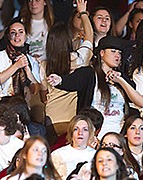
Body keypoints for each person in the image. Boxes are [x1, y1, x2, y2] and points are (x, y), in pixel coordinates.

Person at [46, 35, 143, 139]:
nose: (117, 56)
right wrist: (60, 80)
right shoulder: (89, 73)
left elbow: (137, 99)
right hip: (93, 133)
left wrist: (120, 80)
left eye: (119, 53)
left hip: (118, 134)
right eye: (113, 51)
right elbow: (74, 81)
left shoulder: (121, 77)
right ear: (102, 53)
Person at [43, 0, 93, 136]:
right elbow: (89, 39)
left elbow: (42, 95)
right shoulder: (76, 59)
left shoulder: (43, 65)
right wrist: (83, 12)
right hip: (71, 121)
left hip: (51, 120)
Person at [0, 17, 40, 104]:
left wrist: (28, 71)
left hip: (23, 105)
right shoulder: (0, 56)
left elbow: (35, 90)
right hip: (2, 103)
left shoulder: (31, 60)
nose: (17, 35)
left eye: (21, 32)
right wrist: (16, 66)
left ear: (26, 36)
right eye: (13, 32)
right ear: (8, 36)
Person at [50, 115, 96, 179]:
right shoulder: (58, 154)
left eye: (85, 129)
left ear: (90, 133)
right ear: (71, 133)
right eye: (76, 129)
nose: (80, 133)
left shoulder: (96, 155)